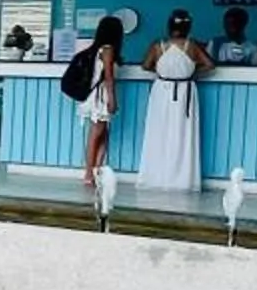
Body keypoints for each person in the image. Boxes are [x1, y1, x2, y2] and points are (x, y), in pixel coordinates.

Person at [138, 10, 212, 193]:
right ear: (188, 27)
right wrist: (190, 72)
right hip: (185, 90)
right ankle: (181, 179)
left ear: (169, 26)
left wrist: (164, 69)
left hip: (162, 92)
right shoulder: (192, 46)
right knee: (182, 135)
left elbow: (145, 65)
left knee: (159, 133)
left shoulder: (158, 46)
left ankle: (156, 176)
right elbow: (210, 64)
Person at [79, 14, 124, 189]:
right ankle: (89, 173)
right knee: (97, 133)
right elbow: (109, 78)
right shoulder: (108, 49)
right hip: (100, 97)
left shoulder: (98, 49)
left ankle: (96, 170)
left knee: (101, 132)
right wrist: (112, 100)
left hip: (96, 96)